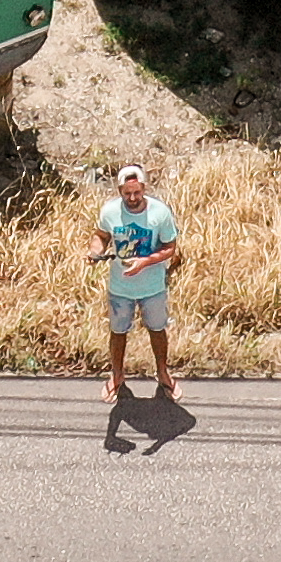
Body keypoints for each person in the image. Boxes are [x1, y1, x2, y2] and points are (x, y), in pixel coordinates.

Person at [95, 160, 183, 403]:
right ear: (120, 191)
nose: (133, 198)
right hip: (120, 287)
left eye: (137, 192)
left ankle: (163, 373)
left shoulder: (160, 212)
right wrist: (95, 251)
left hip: (152, 287)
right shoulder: (110, 212)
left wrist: (145, 262)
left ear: (144, 188)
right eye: (127, 193)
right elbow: (101, 235)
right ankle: (117, 376)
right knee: (118, 331)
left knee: (157, 329)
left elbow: (170, 248)